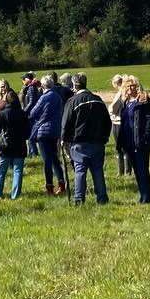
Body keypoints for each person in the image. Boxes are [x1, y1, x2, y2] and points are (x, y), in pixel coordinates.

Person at [61, 73, 111, 206]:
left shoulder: (72, 101)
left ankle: (79, 199)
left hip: (79, 143)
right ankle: (102, 198)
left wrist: (63, 139)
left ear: (73, 85)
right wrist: (105, 137)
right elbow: (107, 121)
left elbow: (66, 123)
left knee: (80, 171)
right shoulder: (97, 100)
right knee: (97, 171)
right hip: (98, 142)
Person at [117, 77, 150, 204]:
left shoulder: (143, 101)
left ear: (137, 86)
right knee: (136, 171)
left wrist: (144, 137)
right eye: (127, 86)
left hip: (141, 142)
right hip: (129, 142)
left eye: (132, 86)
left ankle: (146, 198)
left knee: (142, 169)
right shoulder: (125, 103)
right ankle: (142, 195)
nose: (129, 88)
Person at [27, 75, 66, 195]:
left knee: (47, 160)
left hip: (43, 132)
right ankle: (61, 184)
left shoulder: (44, 97)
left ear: (43, 86)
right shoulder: (58, 97)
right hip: (55, 131)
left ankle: (49, 186)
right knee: (55, 158)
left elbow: (33, 113)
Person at [0, 91, 30, 200]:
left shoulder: (2, 114)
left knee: (1, 170)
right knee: (18, 171)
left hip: (5, 146)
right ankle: (15, 195)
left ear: (6, 101)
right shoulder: (23, 113)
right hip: (19, 145)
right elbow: (28, 131)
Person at [109, 75, 128, 177]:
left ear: (116, 83)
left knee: (120, 148)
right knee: (125, 148)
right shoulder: (126, 91)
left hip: (117, 122)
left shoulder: (120, 93)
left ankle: (121, 171)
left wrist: (109, 109)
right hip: (124, 122)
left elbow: (113, 109)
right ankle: (127, 171)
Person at [20, 73, 41, 158]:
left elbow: (31, 102)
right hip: (32, 113)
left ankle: (33, 153)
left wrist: (24, 111)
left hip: (31, 114)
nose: (22, 81)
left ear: (27, 80)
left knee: (30, 135)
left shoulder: (31, 88)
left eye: (23, 79)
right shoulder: (31, 87)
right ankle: (33, 152)